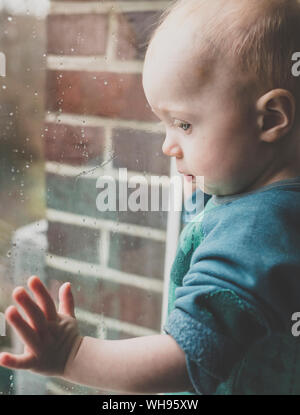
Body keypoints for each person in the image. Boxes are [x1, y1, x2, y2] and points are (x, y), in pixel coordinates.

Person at [1, 0, 300, 395]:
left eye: (184, 124)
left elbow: (185, 358)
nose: (167, 146)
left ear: (272, 118)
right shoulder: (270, 206)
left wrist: (73, 354)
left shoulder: (252, 234)